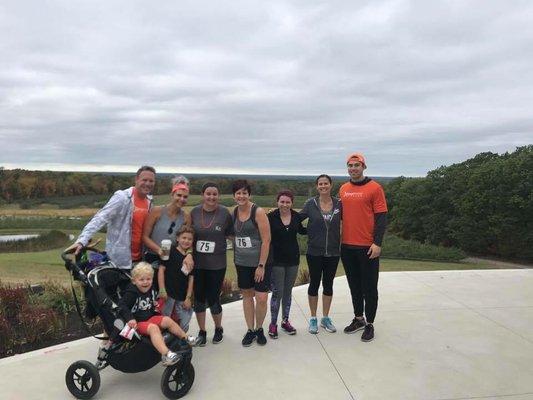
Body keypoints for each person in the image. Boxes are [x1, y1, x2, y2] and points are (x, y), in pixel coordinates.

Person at [339, 153, 388, 342]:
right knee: (354, 286)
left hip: (368, 247)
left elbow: (381, 217)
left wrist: (378, 243)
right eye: (350, 166)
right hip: (347, 246)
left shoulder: (375, 188)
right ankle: (358, 318)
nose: (353, 168)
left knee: (370, 287)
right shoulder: (343, 189)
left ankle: (370, 324)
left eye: (356, 165)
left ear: (363, 167)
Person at [74, 165, 156, 269]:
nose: (148, 184)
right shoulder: (122, 198)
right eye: (144, 180)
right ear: (136, 179)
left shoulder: (149, 202)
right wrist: (82, 240)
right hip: (118, 261)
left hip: (139, 260)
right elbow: (100, 218)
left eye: (151, 181)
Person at [118, 262, 198, 366]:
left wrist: (155, 303)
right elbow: (122, 305)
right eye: (141, 280)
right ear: (134, 281)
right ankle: (166, 354)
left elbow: (153, 301)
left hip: (150, 317)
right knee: (153, 328)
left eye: (148, 279)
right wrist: (130, 319)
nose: (145, 282)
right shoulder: (132, 292)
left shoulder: (151, 288)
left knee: (167, 320)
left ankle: (186, 337)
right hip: (137, 322)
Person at [190, 182, 234, 346]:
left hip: (217, 264)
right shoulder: (194, 212)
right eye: (208, 194)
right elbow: (186, 235)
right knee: (199, 299)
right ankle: (202, 331)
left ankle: (218, 328)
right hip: (198, 264)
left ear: (218, 196)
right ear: (203, 195)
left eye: (214, 194)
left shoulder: (224, 213)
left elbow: (232, 235)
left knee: (214, 299)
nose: (211, 197)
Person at [299, 174, 342, 334]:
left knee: (328, 284)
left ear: (331, 185)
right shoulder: (311, 204)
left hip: (333, 251)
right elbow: (297, 220)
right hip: (314, 252)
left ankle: (325, 318)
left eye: (326, 183)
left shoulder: (339, 204)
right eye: (320, 184)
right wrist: (306, 231)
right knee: (314, 283)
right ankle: (313, 318)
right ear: (317, 187)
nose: (323, 186)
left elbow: (350, 221)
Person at [232, 179, 271, 347]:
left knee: (261, 298)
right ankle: (250, 330)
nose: (241, 196)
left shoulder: (258, 211)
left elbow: (266, 240)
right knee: (247, 296)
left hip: (259, 264)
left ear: (249, 194)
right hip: (241, 262)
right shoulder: (233, 212)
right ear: (234, 195)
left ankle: (259, 328)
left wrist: (261, 265)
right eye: (238, 193)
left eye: (244, 193)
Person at [267, 190, 306, 339]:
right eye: (282, 202)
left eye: (287, 202)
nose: (284, 204)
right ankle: (273, 324)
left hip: (293, 260)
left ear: (292, 203)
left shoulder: (296, 216)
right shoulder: (270, 217)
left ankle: (285, 321)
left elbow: (302, 231)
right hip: (276, 260)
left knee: (288, 292)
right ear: (277, 202)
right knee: (277, 292)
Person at [143, 176, 193, 280]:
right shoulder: (157, 211)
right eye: (179, 195)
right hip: (152, 257)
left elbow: (187, 240)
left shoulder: (186, 217)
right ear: (172, 194)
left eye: (185, 197)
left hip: (172, 259)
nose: (182, 199)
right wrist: (159, 250)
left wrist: (188, 255)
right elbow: (145, 237)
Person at [158, 226, 196, 332]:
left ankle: (178, 340)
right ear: (178, 238)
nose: (186, 241)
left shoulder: (191, 258)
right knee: (164, 320)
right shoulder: (169, 251)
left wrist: (188, 297)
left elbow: (191, 278)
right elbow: (161, 270)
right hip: (168, 294)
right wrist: (162, 289)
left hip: (182, 296)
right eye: (184, 238)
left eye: (189, 239)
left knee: (184, 323)